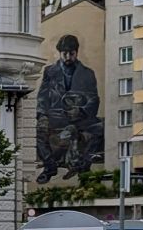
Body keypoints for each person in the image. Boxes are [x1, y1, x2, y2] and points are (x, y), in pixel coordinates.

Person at [36, 34, 104, 184]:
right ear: (59, 53)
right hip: (57, 116)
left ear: (76, 52)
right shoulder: (50, 71)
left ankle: (84, 168)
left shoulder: (87, 73)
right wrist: (42, 115)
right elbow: (42, 96)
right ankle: (49, 166)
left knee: (99, 128)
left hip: (81, 117)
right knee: (37, 131)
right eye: (64, 53)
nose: (67, 56)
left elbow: (94, 98)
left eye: (71, 53)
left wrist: (82, 111)